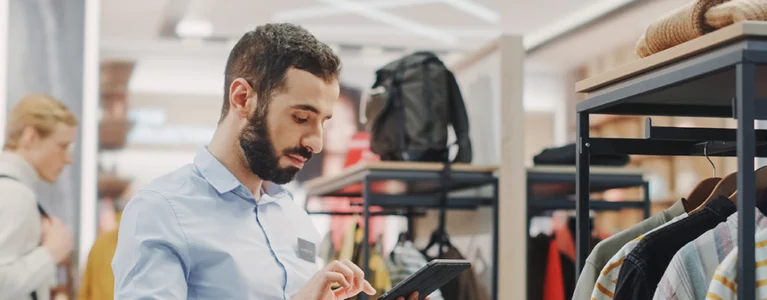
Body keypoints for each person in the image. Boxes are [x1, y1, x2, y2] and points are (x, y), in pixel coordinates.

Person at [111, 23, 422, 300]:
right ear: (242, 99)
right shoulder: (160, 211)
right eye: (301, 118)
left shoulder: (293, 218)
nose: (316, 143)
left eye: (323, 123)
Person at [0, 94, 77, 300]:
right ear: (31, 137)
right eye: (62, 146)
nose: (69, 159)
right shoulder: (16, 196)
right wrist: (51, 252)